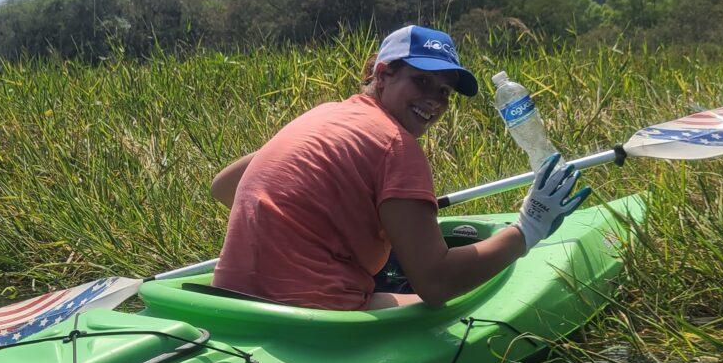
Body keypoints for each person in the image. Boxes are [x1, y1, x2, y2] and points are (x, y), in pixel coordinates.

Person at [210, 24, 589, 311]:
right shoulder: (396, 146)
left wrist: (337, 224)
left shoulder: (325, 114)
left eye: (444, 91)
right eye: (421, 80)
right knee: (461, 303)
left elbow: (224, 187)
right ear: (382, 73)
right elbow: (436, 284)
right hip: (313, 314)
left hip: (232, 301)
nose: (434, 100)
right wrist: (529, 226)